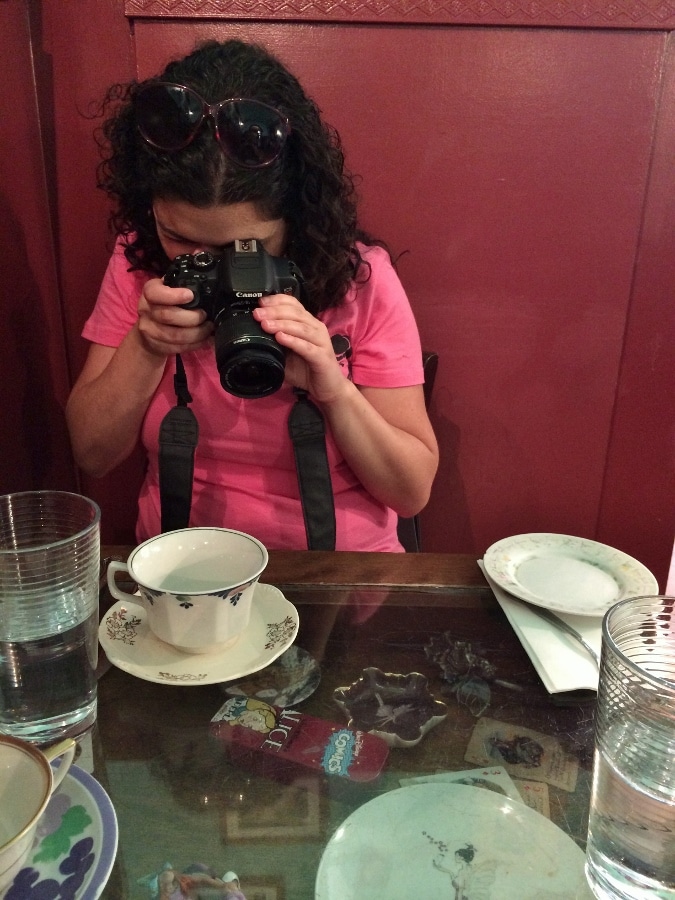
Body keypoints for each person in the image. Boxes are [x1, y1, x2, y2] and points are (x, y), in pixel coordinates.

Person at [66, 39, 439, 551]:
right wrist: (146, 346)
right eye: (180, 238)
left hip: (336, 576)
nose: (211, 263)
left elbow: (411, 492)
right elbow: (92, 454)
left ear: (295, 217)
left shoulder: (359, 280)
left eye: (243, 246)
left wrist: (333, 389)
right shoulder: (139, 262)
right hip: (184, 567)